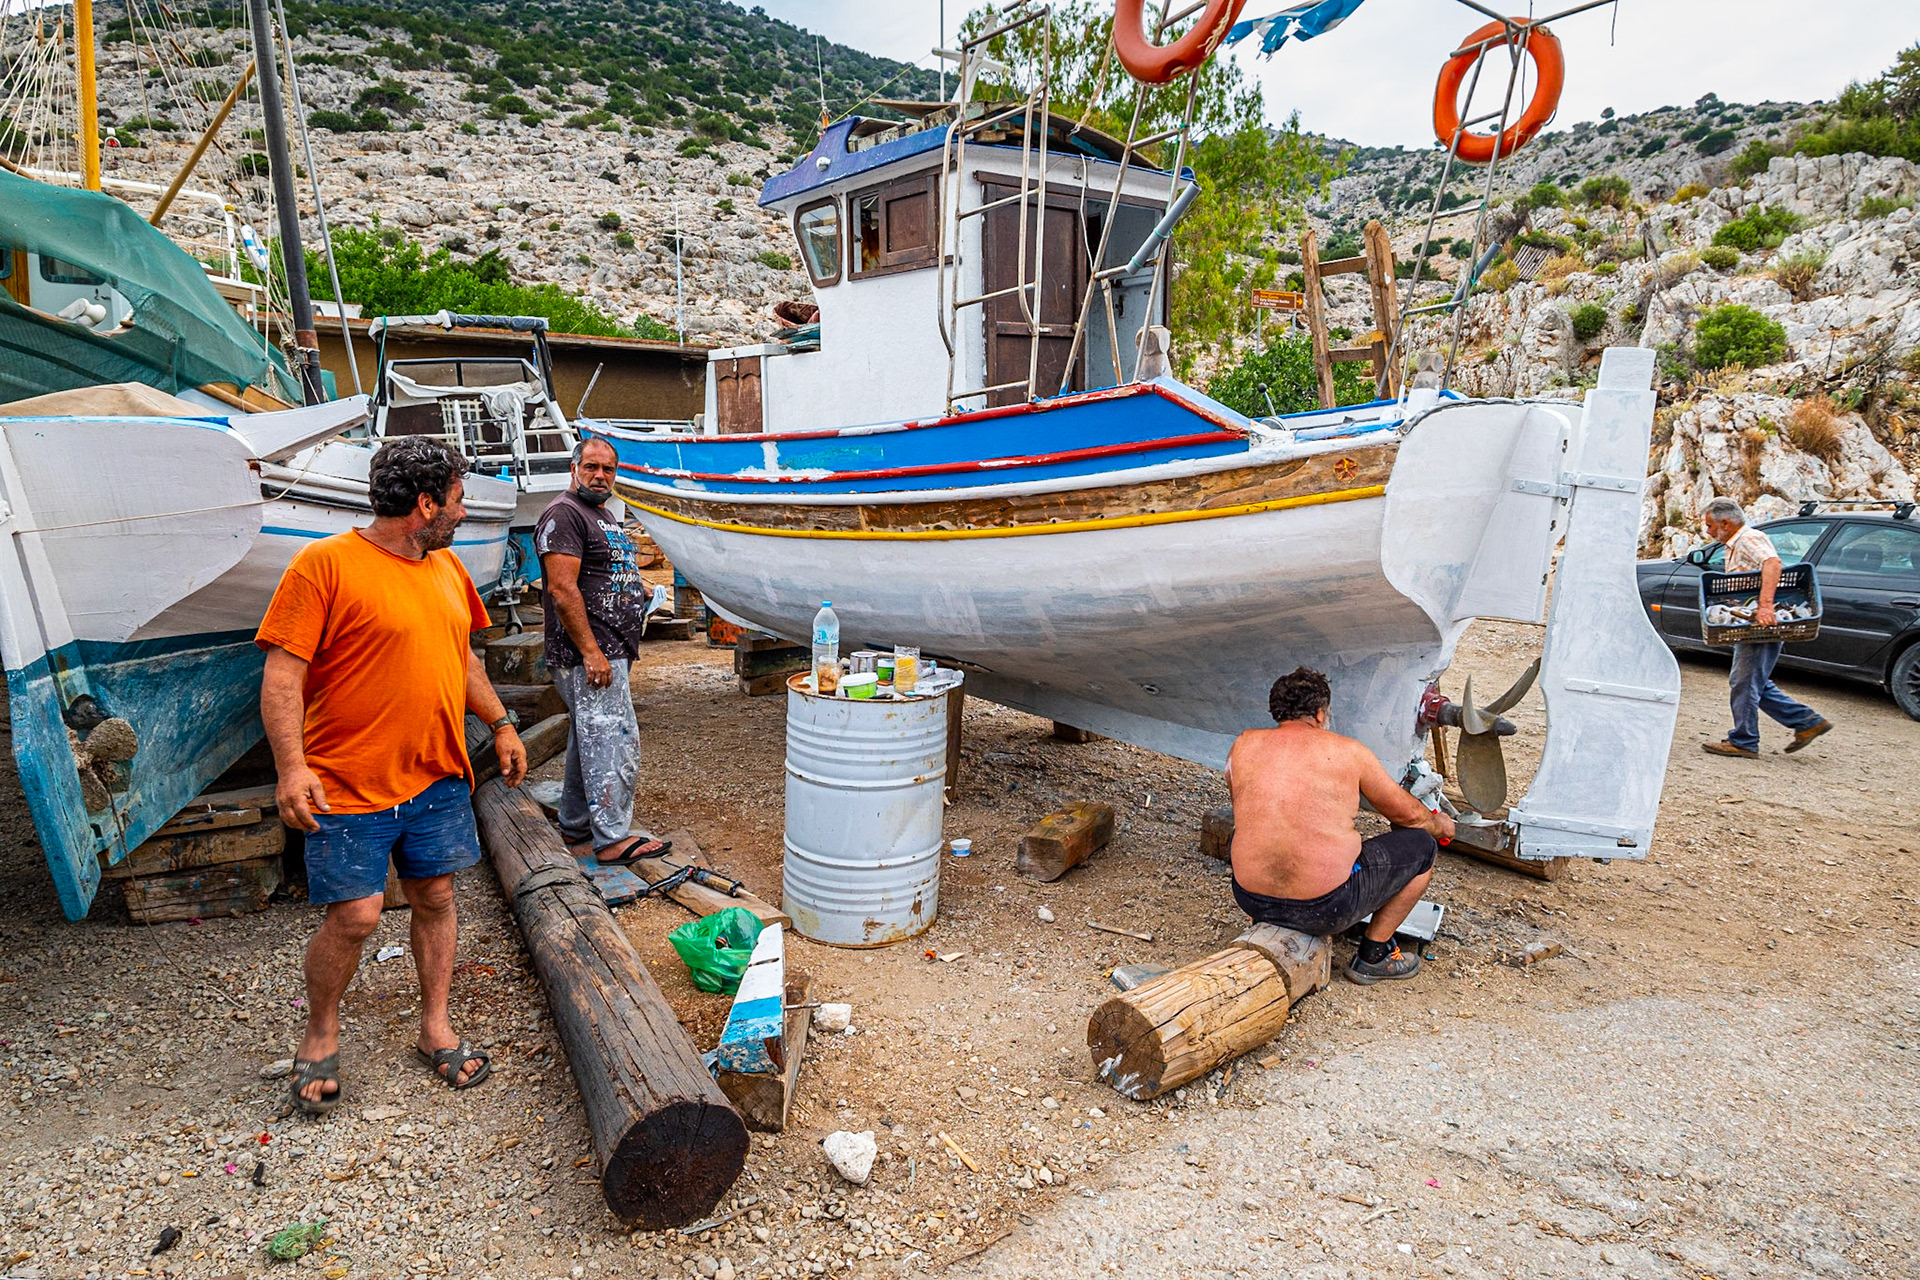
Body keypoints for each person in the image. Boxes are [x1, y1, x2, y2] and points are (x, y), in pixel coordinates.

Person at [258, 437, 528, 1115]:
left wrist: (500, 723)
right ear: (425, 504)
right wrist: (291, 767)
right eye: (458, 500)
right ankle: (321, 1030)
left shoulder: (446, 569)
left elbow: (461, 657)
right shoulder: (324, 565)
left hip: (435, 775)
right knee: (355, 916)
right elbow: (282, 676)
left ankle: (434, 1025)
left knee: (435, 895)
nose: (463, 514)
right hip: (346, 781)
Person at [1225, 666, 1455, 985]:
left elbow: (1243, 801)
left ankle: (1266, 915)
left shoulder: (1243, 745)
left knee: (1248, 827)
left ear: (1276, 710)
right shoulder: (1349, 752)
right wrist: (1440, 825)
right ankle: (1375, 954)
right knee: (1423, 847)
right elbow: (1409, 816)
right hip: (1325, 908)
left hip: (1251, 897)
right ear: (1320, 714)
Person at [534, 436, 669, 865]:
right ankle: (612, 838)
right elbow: (561, 588)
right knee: (613, 741)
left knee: (588, 737)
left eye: (608, 469)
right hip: (589, 654)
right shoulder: (564, 514)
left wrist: (638, 588)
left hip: (609, 648)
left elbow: (601, 573)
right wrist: (591, 651)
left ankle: (576, 826)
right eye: (591, 466)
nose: (599, 475)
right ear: (574, 468)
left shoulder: (600, 514)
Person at [1698, 497, 1833, 758]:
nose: (1708, 531)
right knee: (1752, 680)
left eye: (1710, 526)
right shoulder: (1732, 545)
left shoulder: (1748, 538)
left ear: (1725, 522)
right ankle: (1807, 722)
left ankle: (1744, 741)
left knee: (1744, 681)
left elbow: (1772, 563)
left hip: (1762, 622)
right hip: (1754, 623)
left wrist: (1765, 607)